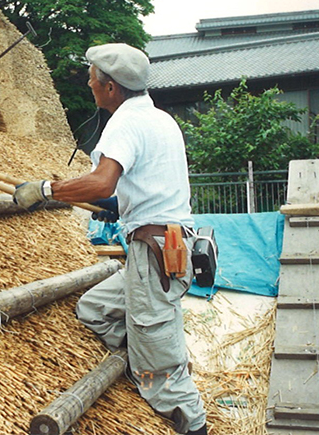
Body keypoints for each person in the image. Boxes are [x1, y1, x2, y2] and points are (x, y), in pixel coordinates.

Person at [13, 43, 207, 435]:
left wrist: (47, 190)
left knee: (163, 365)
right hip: (165, 243)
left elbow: (102, 180)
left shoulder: (125, 123)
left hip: (154, 252)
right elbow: (144, 187)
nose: (89, 84)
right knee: (95, 309)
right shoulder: (160, 119)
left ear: (112, 88)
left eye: (92, 79)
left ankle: (191, 422)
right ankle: (140, 360)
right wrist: (116, 207)